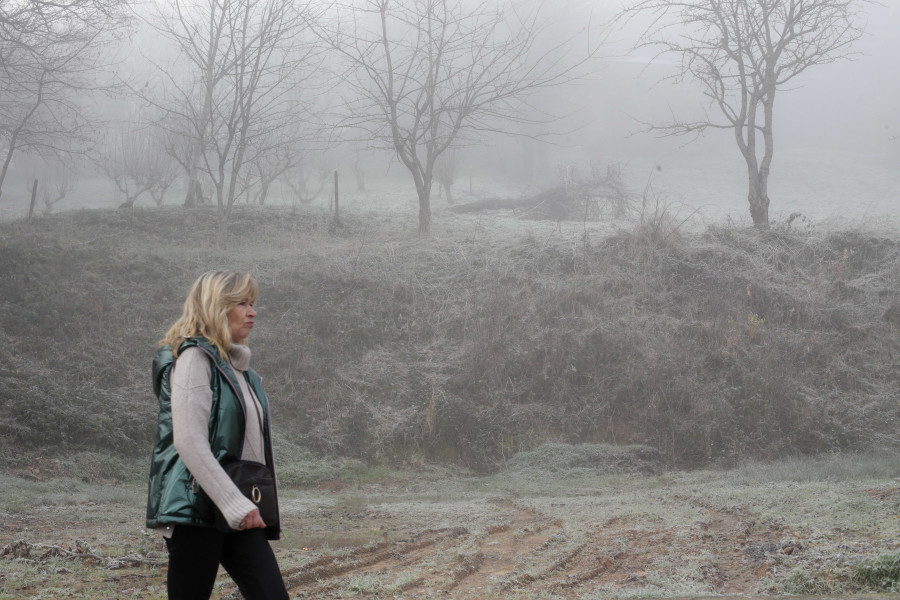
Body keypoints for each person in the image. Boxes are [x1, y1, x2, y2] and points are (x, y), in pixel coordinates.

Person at [146, 270, 289, 600]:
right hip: (197, 511)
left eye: (253, 303)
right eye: (242, 303)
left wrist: (252, 502)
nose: (253, 312)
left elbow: (251, 447)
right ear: (216, 306)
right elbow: (188, 439)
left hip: (237, 505)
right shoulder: (195, 358)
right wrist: (236, 505)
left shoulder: (244, 373)